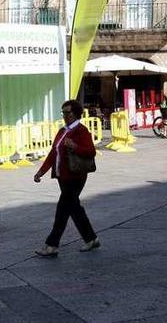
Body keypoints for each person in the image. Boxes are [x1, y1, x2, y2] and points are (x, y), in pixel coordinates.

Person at [33, 100, 99, 257]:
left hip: (75, 176)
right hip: (62, 177)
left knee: (62, 210)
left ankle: (52, 245)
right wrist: (41, 172)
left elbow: (91, 152)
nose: (64, 115)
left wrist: (75, 146)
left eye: (67, 112)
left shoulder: (81, 131)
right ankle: (91, 239)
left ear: (75, 113)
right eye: (63, 112)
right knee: (75, 209)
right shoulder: (63, 130)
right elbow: (53, 153)